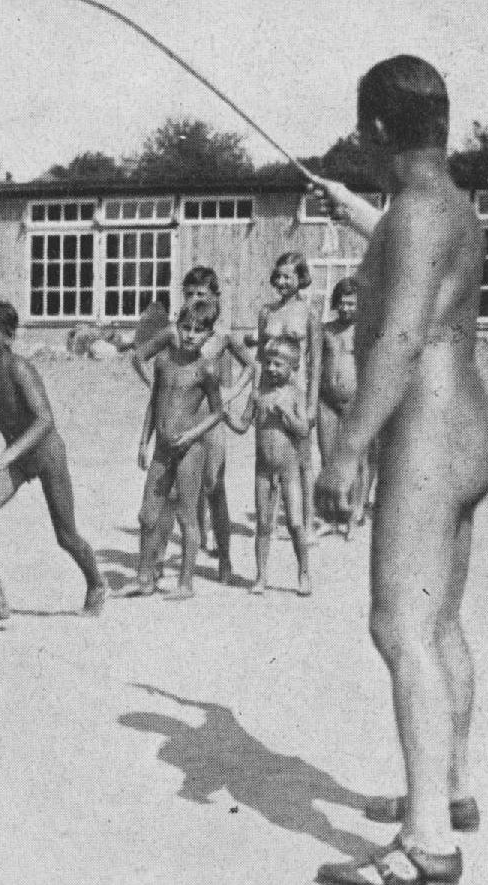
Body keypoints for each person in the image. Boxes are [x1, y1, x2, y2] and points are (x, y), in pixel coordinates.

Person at [314, 55, 486, 885]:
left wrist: (348, 446)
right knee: (441, 620)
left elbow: (402, 335)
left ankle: (428, 844)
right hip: (468, 427)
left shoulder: (414, 216)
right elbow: (417, 264)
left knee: (398, 626)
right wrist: (358, 214)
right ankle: (449, 788)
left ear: (378, 128)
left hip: (425, 432)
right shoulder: (451, 206)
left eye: (363, 129)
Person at [0, 299, 107, 624]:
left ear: (9, 337)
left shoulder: (20, 368)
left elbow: (45, 420)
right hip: (17, 458)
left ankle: (97, 583)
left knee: (66, 536)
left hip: (46, 454)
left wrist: (3, 457)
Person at [132, 267, 253, 582]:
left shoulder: (221, 335)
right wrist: (154, 388)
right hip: (179, 422)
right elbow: (140, 358)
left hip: (210, 421)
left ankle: (224, 558)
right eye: (189, 293)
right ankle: (157, 561)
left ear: (215, 297)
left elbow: (252, 366)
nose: (195, 298)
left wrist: (231, 393)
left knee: (214, 487)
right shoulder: (176, 332)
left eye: (202, 294)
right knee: (169, 493)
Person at [136, 300, 228, 600]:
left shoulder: (206, 369)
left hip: (190, 450)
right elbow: (154, 402)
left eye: (198, 331)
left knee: (187, 516)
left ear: (208, 335)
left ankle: (186, 582)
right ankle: (144, 578)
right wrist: (143, 441)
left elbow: (218, 412)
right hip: (163, 448)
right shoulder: (163, 362)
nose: (190, 335)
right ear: (176, 327)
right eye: (185, 328)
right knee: (147, 515)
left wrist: (191, 434)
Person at [226, 337, 312, 597]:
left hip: (289, 471)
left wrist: (287, 414)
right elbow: (243, 426)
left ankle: (304, 572)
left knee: (295, 523)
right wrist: (224, 415)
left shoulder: (296, 395)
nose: (272, 368)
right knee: (263, 524)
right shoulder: (258, 395)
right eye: (268, 363)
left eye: (279, 364)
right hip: (263, 471)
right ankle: (261, 575)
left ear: (293, 367)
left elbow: (303, 430)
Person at [256, 252, 322, 539]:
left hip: (298, 393)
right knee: (269, 456)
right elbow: (260, 358)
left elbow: (316, 363)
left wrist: (312, 405)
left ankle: (307, 523)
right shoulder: (266, 312)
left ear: (301, 278)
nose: (282, 282)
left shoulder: (309, 313)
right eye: (279, 276)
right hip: (270, 391)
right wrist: (257, 395)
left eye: (288, 277)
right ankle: (268, 522)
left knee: (303, 460)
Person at [317, 277, 374, 537]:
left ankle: (355, 512)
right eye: (342, 303)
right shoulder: (326, 330)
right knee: (328, 458)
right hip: (326, 401)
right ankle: (331, 516)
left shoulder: (366, 331)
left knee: (357, 460)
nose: (346, 308)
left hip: (355, 401)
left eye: (352, 304)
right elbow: (315, 364)